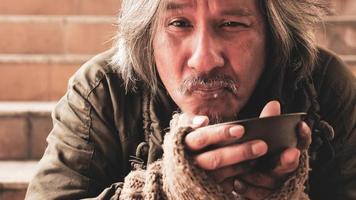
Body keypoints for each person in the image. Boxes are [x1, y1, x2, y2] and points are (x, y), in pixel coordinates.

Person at [25, 0, 355, 199]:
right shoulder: (102, 91)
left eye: (231, 24)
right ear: (146, 36)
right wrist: (167, 189)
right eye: (179, 24)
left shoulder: (323, 86)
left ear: (274, 36)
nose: (204, 59)